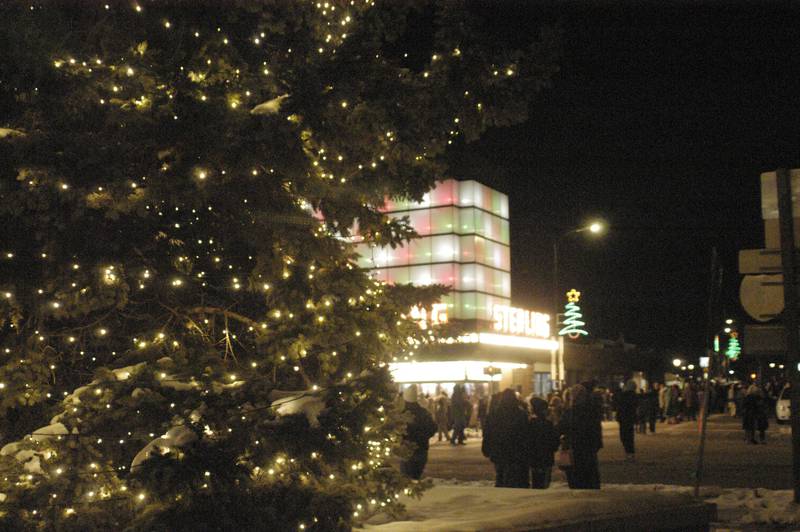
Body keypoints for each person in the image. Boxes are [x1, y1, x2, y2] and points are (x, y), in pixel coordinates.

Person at [481, 388, 530, 488]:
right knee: (513, 475)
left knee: (500, 473)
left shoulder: (494, 414)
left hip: (499, 450)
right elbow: (525, 434)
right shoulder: (520, 414)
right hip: (515, 451)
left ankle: (501, 490)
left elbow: (488, 432)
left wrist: (487, 447)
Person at [558, 384, 602, 489]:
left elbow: (560, 429)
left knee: (575, 482)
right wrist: (596, 446)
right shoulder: (591, 412)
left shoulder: (569, 413)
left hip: (573, 451)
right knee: (590, 482)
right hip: (588, 451)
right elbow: (596, 431)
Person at [399, 385, 437, 479]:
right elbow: (433, 428)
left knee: (405, 478)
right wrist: (424, 436)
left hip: (406, 449)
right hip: (421, 449)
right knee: (416, 477)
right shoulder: (423, 413)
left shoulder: (401, 415)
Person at [528, 397, 559, 489]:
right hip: (546, 457)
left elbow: (528, 441)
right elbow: (554, 442)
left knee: (536, 481)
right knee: (545, 481)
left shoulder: (530, 424)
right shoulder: (548, 424)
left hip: (534, 458)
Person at [614, 379, 638, 461]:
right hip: (630, 418)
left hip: (624, 417)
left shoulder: (624, 395)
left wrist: (618, 416)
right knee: (629, 435)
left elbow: (620, 406)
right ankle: (630, 453)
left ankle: (629, 452)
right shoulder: (634, 395)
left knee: (624, 436)